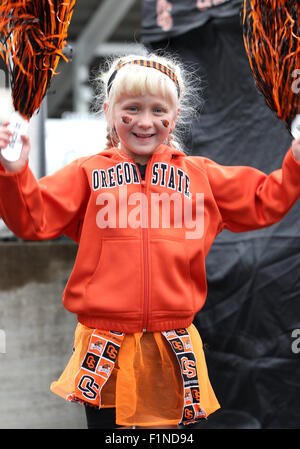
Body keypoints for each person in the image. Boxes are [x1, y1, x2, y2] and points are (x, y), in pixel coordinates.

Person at [0, 52, 300, 430]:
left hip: (174, 349)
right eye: (132, 108)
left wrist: (296, 160)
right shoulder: (86, 174)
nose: (145, 121)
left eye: (158, 110)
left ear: (175, 116)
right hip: (104, 348)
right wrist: (14, 171)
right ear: (109, 111)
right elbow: (32, 219)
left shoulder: (200, 177)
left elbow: (265, 200)